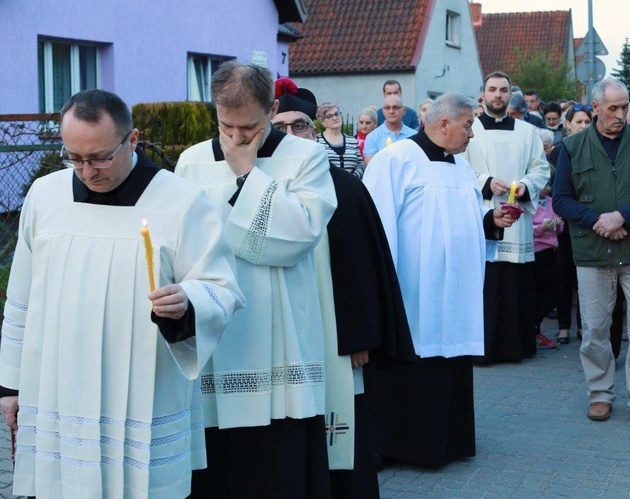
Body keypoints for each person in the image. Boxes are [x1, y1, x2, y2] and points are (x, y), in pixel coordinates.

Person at [0, 89, 244, 498]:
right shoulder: (45, 196)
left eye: (99, 158)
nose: (87, 172)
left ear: (132, 140)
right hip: (58, 388)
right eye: (74, 158)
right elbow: (20, 295)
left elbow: (221, 287)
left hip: (143, 390)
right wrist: (10, 385)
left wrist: (187, 301)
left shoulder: (182, 202)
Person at [175, 62, 337, 497]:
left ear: (272, 108)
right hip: (218, 331)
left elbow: (299, 236)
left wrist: (247, 175)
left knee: (277, 459)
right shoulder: (191, 162)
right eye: (226, 125)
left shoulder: (306, 157)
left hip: (281, 327)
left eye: (248, 126)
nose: (237, 138)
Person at [273, 78, 415, 499]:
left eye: (298, 126)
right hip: (277, 339)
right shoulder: (254, 185)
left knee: (341, 436)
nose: (290, 137)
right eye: (279, 128)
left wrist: (360, 338)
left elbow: (362, 271)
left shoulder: (345, 189)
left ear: (314, 130)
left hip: (334, 337)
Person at [363, 92, 515, 467]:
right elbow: (377, 227)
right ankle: (401, 446)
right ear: (444, 124)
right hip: (414, 290)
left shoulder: (461, 167)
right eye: (467, 126)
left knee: (451, 358)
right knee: (413, 360)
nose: (472, 135)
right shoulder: (394, 161)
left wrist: (489, 222)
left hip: (455, 291)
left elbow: (463, 219)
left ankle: (450, 441)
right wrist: (385, 289)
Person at [552, 77, 630, 422]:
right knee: (596, 329)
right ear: (595, 108)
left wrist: (621, 217)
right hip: (592, 251)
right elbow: (561, 201)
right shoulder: (572, 147)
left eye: (625, 107)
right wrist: (600, 220)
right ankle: (600, 394)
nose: (620, 114)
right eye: (613, 108)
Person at [462, 71, 550, 364]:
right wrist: (486, 182)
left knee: (514, 286)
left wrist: (525, 186)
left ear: (510, 94)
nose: (497, 95)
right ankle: (482, 350)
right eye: (492, 90)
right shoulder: (468, 129)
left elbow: (541, 169)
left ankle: (515, 348)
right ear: (483, 95)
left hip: (517, 220)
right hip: (483, 215)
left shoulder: (527, 131)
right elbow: (456, 168)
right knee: (486, 286)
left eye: (503, 90)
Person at [549, 104, 593, 344]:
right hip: (564, 222)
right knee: (564, 274)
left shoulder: (594, 149)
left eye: (587, 122)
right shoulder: (558, 152)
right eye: (579, 122)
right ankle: (564, 325)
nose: (583, 127)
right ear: (567, 124)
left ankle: (583, 326)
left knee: (586, 278)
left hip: (589, 219)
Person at [532, 176, 564, 347]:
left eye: (549, 184)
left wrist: (558, 224)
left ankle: (532, 326)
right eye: (543, 184)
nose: (547, 188)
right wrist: (540, 228)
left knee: (556, 293)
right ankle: (533, 329)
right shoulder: (529, 203)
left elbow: (560, 226)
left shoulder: (552, 202)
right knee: (539, 294)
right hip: (537, 253)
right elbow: (523, 230)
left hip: (551, 253)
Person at [363, 93, 417, 165]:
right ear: (383, 111)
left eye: (395, 107)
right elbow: (371, 166)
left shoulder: (414, 136)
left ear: (404, 111)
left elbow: (417, 163)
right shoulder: (373, 137)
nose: (391, 111)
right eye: (387, 108)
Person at [316, 101, 365, 179]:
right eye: (329, 116)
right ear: (323, 122)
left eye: (336, 114)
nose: (335, 118)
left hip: (351, 187)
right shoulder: (317, 142)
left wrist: (353, 178)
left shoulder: (352, 141)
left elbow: (361, 164)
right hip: (328, 187)